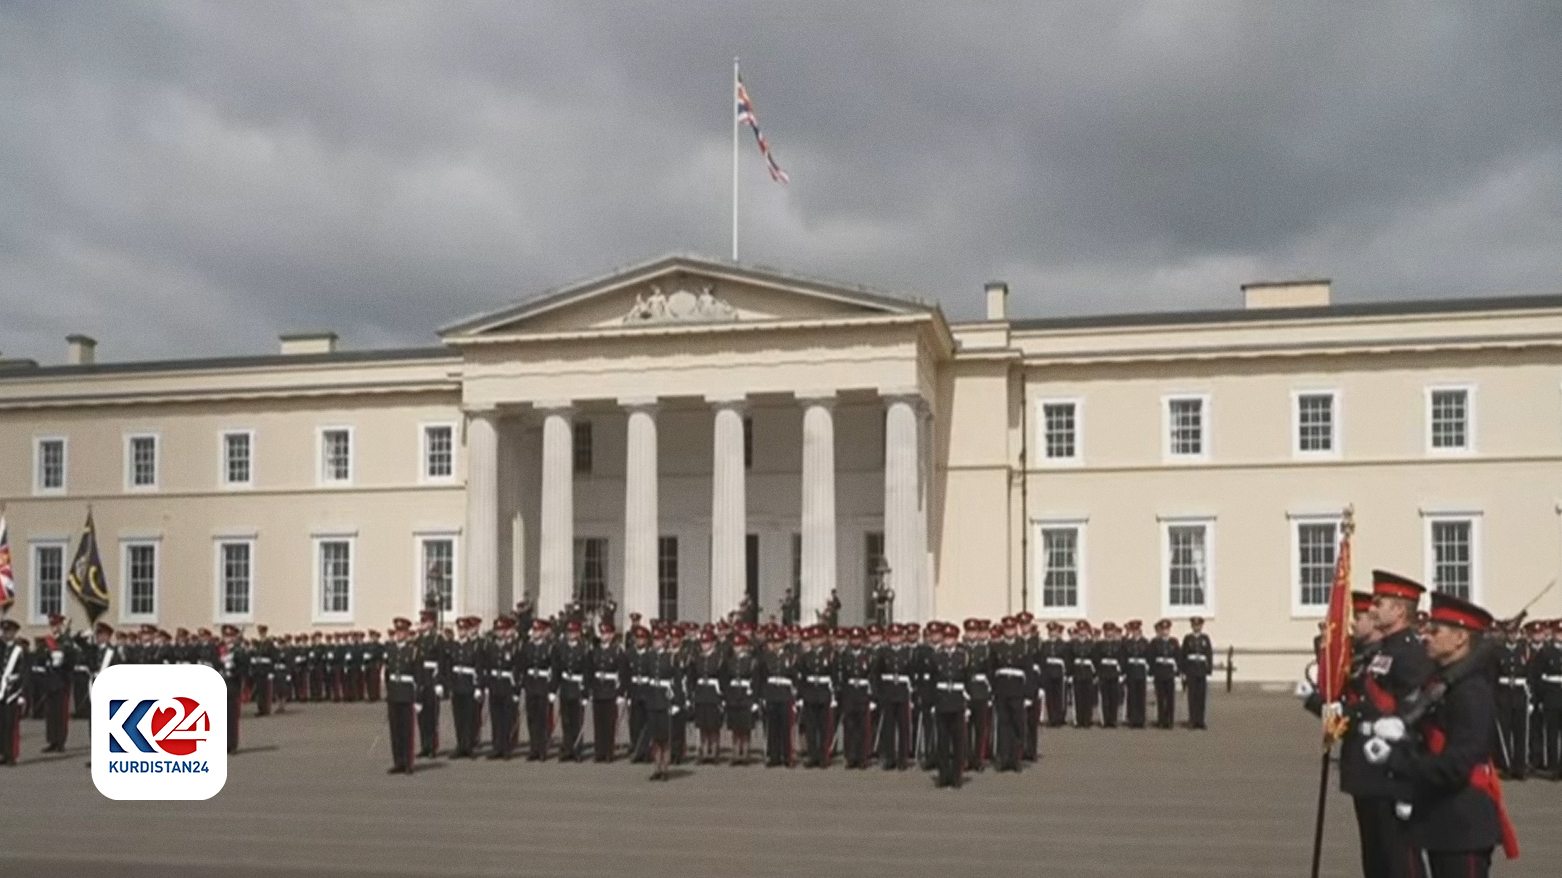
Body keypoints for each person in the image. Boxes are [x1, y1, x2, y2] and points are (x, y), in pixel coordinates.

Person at [1366, 591, 1519, 876]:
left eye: (1436, 631)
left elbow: (1455, 764)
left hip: (1463, 820)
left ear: (1461, 638)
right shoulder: (1439, 682)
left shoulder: (1471, 691)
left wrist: (1400, 766)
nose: (1426, 636)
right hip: (1440, 817)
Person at [928, 622, 970, 789]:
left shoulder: (963, 656)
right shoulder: (936, 657)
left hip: (957, 702)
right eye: (946, 638)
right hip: (942, 701)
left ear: (956, 639)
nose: (948, 641)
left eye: (951, 638)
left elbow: (967, 680)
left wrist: (968, 704)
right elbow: (932, 681)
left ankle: (957, 776)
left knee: (958, 741)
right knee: (943, 742)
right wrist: (932, 702)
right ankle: (944, 775)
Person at [383, 618, 419, 774]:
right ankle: (398, 761)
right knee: (395, 730)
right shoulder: (390, 649)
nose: (399, 634)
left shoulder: (413, 651)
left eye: (402, 632)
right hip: (394, 693)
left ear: (407, 633)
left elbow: (418, 677)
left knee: (407, 731)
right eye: (397, 632)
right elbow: (387, 673)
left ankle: (408, 762)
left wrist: (418, 699)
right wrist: (388, 691)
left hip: (407, 693)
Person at [485, 616, 521, 760]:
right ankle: (497, 746)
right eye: (497, 630)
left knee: (508, 716)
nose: (499, 633)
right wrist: (487, 684)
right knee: (496, 716)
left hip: (507, 684)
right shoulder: (491, 646)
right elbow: (487, 665)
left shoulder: (514, 647)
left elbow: (518, 668)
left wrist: (516, 689)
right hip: (495, 683)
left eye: (502, 630)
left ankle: (507, 747)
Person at [520, 620, 557, 761]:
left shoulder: (549, 648)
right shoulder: (527, 647)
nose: (535, 633)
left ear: (542, 632)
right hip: (531, 686)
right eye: (534, 631)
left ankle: (542, 749)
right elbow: (523, 667)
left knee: (542, 720)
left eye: (538, 631)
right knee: (531, 719)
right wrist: (523, 684)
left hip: (543, 686)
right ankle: (533, 748)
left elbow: (554, 669)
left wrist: (552, 689)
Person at [589, 622, 626, 763]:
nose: (604, 636)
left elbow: (622, 673)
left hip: (611, 691)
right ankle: (599, 752)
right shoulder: (595, 651)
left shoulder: (617, 651)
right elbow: (591, 671)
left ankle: (609, 752)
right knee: (598, 723)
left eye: (607, 634)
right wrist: (590, 689)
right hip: (598, 689)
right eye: (602, 633)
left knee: (609, 724)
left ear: (612, 635)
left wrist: (621, 693)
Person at [40, 614, 75, 752]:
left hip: (62, 681)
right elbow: (42, 657)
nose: (54, 628)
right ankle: (52, 740)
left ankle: (60, 741)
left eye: (56, 625)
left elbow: (71, 660)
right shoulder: (48, 641)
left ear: (61, 626)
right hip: (50, 681)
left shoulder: (66, 641)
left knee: (61, 712)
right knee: (50, 713)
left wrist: (63, 660)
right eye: (52, 625)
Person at [1180, 616, 1214, 729]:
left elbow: (1208, 654)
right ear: (1192, 626)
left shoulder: (1205, 639)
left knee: (1201, 696)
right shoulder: (1188, 639)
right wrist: (1183, 671)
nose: (1196, 627)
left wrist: (1209, 668)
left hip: (1201, 670)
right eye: (1194, 625)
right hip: (1191, 669)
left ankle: (1200, 720)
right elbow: (1183, 655)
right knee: (1192, 695)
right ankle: (1192, 720)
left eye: (1198, 625)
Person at [217, 624, 246, 755]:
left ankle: (231, 744)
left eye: (231, 637)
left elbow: (244, 669)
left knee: (231, 717)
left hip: (232, 686)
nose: (228, 639)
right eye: (226, 636)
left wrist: (232, 667)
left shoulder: (239, 651)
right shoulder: (220, 650)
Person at [1, 619, 25, 765]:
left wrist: (20, 692)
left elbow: (23, 672)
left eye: (9, 632)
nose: (6, 634)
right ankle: (3, 753)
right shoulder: (1, 647)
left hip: (12, 692)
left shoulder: (19, 650)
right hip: (1, 691)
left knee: (11, 725)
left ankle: (12, 755)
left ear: (14, 633)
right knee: (2, 724)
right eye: (4, 631)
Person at [1122, 620, 1150, 728]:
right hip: (1131, 671)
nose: (1135, 633)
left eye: (1137, 630)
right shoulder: (1127, 643)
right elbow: (1124, 658)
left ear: (1140, 631)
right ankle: (1132, 719)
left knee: (1141, 696)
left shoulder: (1145, 643)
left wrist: (1149, 670)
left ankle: (1141, 719)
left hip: (1141, 671)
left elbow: (1149, 657)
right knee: (1132, 696)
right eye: (1133, 631)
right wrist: (1124, 672)